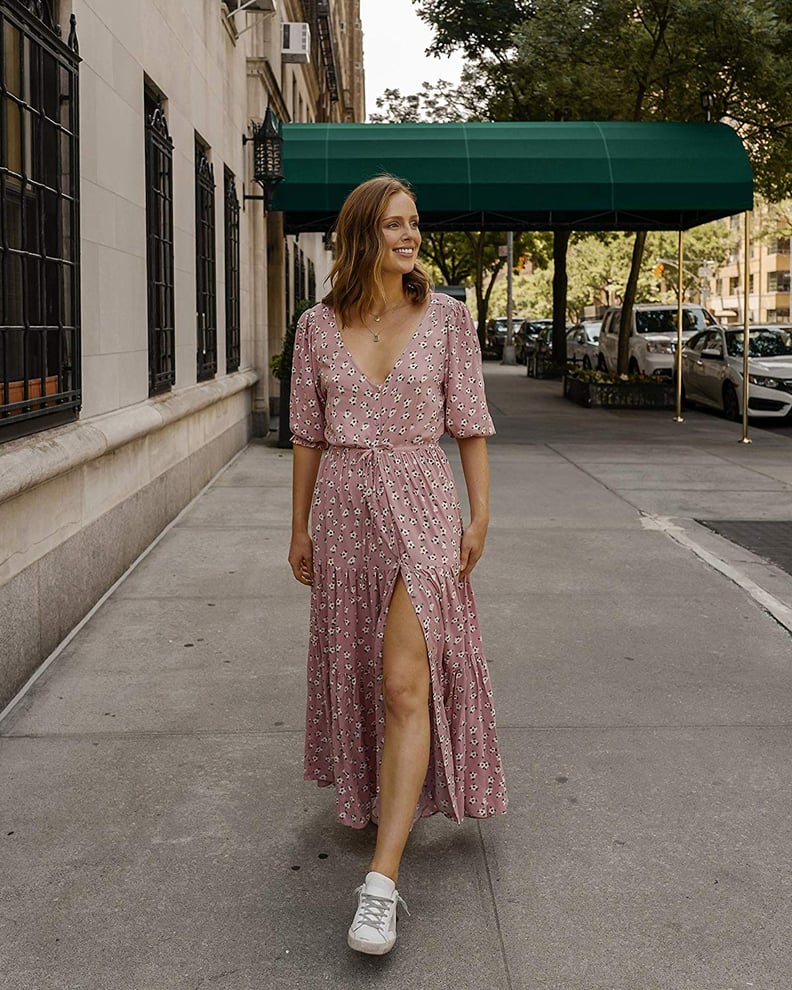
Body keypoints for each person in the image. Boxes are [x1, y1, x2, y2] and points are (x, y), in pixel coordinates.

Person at [288, 174, 507, 956]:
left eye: (413, 224)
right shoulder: (316, 326)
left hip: (421, 501)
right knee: (360, 669)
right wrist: (299, 529)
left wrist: (479, 514)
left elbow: (471, 424)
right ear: (359, 237)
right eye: (392, 226)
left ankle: (380, 885)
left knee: (404, 681)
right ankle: (385, 792)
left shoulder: (448, 317)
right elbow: (307, 435)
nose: (409, 236)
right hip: (343, 510)